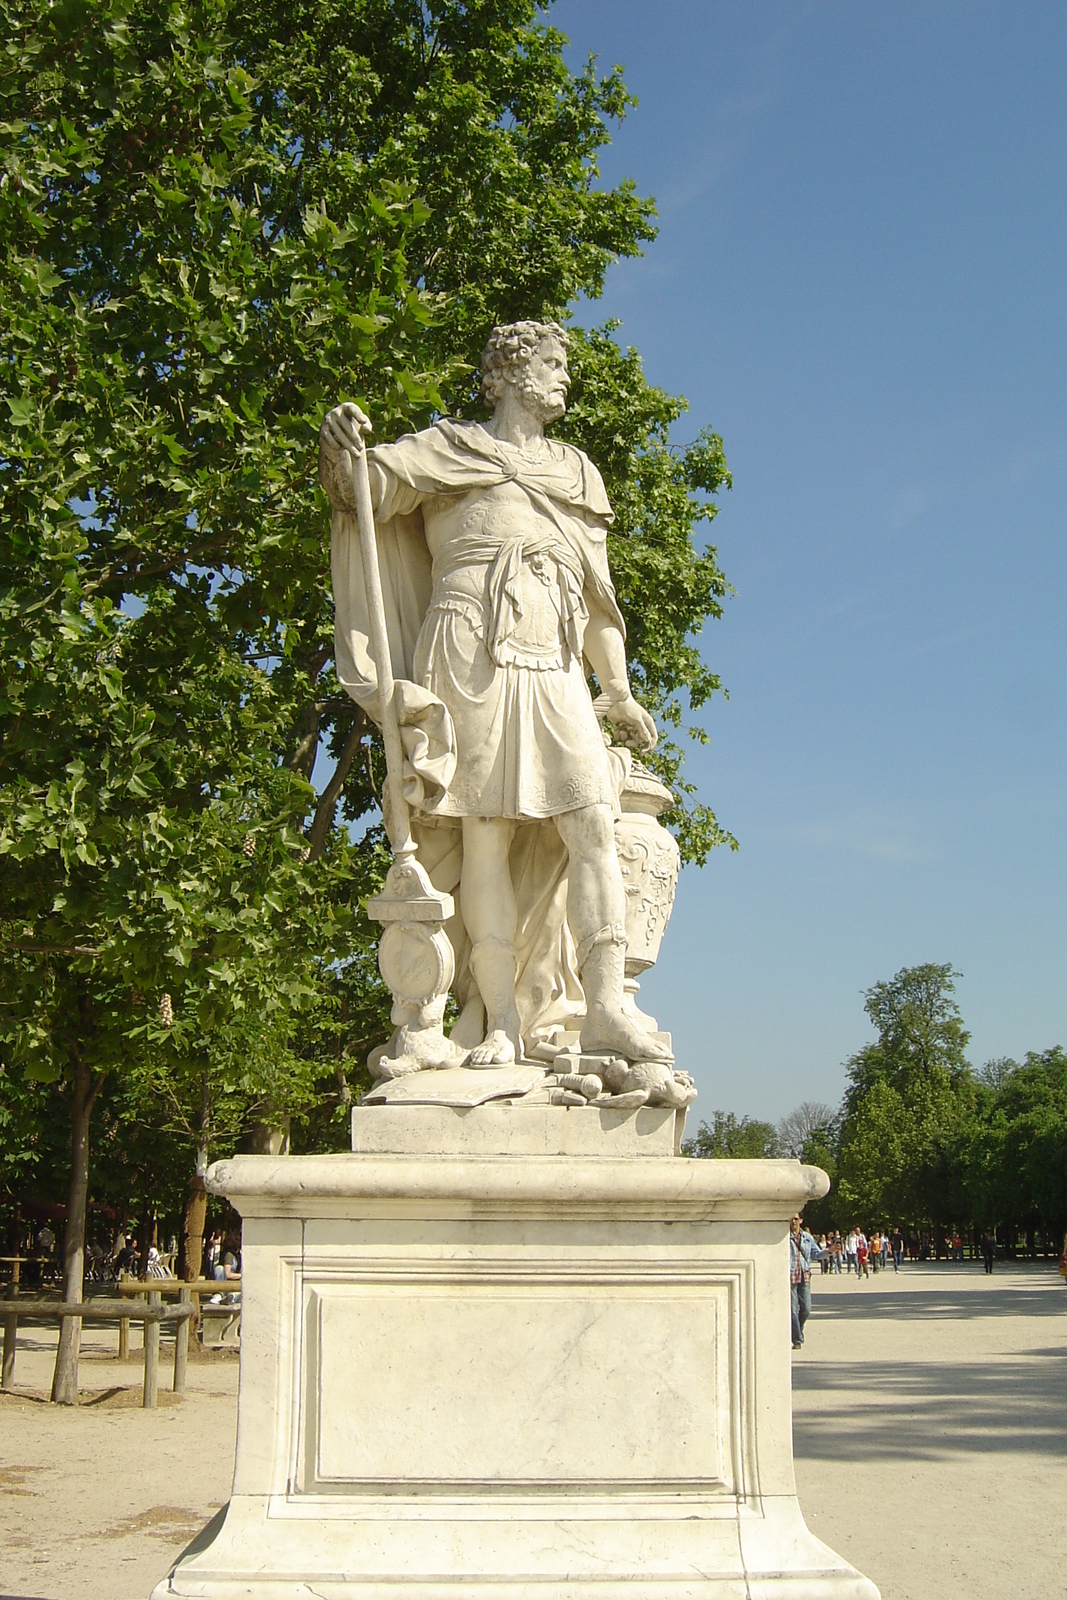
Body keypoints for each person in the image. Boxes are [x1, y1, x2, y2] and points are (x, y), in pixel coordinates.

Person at [319, 322, 674, 1071]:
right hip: (465, 643)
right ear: (509, 373)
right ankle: (502, 1020)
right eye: (552, 364)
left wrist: (617, 689)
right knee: (483, 831)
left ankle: (604, 1006)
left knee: (590, 823)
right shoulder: (448, 446)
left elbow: (596, 597)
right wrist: (340, 442)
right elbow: (360, 486)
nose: (563, 379)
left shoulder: (576, 472)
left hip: (551, 650)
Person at [789, 1213, 825, 1348]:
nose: (793, 1221)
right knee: (792, 1311)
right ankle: (797, 1340)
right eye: (791, 1218)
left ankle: (798, 1331)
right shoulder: (784, 1237)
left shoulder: (807, 1238)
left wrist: (830, 1251)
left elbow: (817, 1254)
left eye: (796, 1219)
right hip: (790, 1276)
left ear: (801, 1221)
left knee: (806, 1309)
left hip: (804, 1276)